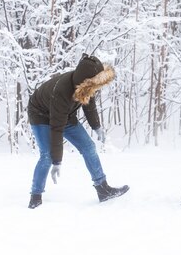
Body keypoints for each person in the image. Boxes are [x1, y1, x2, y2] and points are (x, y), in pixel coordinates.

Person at [26, 54, 129, 208]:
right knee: (47, 156)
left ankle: (102, 188)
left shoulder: (85, 87)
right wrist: (57, 161)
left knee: (89, 147)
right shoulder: (62, 91)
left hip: (63, 115)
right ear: (86, 80)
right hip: (41, 115)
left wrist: (97, 126)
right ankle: (35, 197)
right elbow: (56, 128)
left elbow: (89, 106)